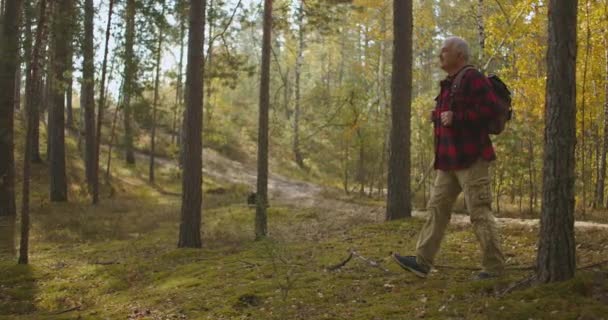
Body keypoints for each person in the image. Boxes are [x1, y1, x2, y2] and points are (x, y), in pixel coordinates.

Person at [392, 36, 505, 280]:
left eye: (444, 51)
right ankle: (422, 262)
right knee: (436, 209)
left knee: (479, 212)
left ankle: (494, 268)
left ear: (459, 55)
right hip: (448, 161)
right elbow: (447, 118)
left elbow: (492, 109)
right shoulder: (449, 83)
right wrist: (440, 116)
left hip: (472, 159)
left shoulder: (473, 77)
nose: (440, 55)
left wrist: (458, 117)